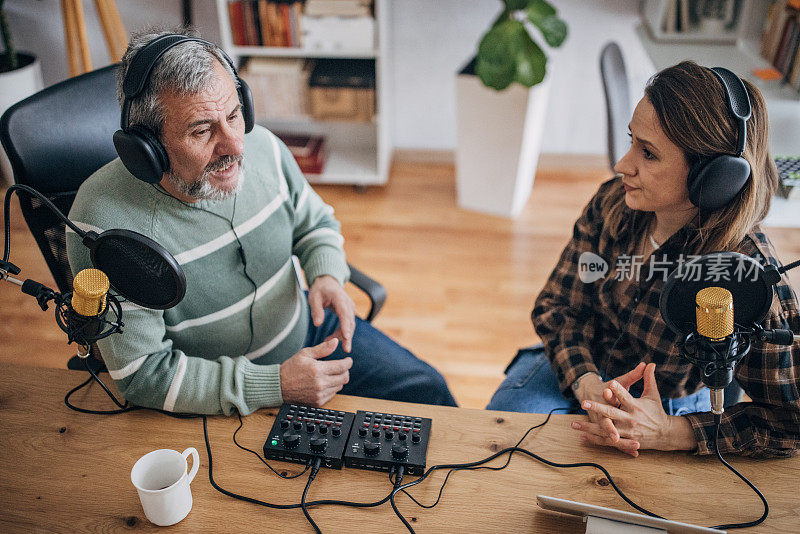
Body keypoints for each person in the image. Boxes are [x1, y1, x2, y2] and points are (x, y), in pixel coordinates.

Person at [67, 29, 456, 415]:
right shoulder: (105, 224)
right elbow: (143, 374)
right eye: (202, 131)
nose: (236, 146)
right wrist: (275, 384)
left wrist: (326, 274)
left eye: (235, 116)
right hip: (215, 396)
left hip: (306, 331)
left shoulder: (265, 148)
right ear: (145, 148)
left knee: (428, 393)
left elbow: (315, 221)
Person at [487, 61, 799, 458]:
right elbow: (558, 308)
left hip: (672, 409)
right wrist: (587, 384)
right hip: (577, 368)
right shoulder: (614, 201)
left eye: (648, 153)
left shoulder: (744, 272)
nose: (622, 165)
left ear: (715, 176)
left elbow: (790, 422)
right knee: (506, 447)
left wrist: (671, 432)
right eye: (632, 140)